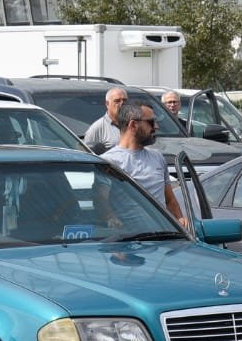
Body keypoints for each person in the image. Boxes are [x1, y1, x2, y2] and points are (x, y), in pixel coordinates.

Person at [101, 103, 192, 236]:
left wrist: (180, 220)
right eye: (151, 122)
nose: (156, 126)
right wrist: (112, 222)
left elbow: (170, 200)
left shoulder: (157, 157)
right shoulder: (109, 161)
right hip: (130, 241)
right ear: (133, 125)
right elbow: (100, 200)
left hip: (163, 238)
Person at [82, 86, 128, 155]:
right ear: (107, 104)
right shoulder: (97, 128)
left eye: (124, 100)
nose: (122, 104)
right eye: (117, 101)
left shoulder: (134, 124)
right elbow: (87, 156)